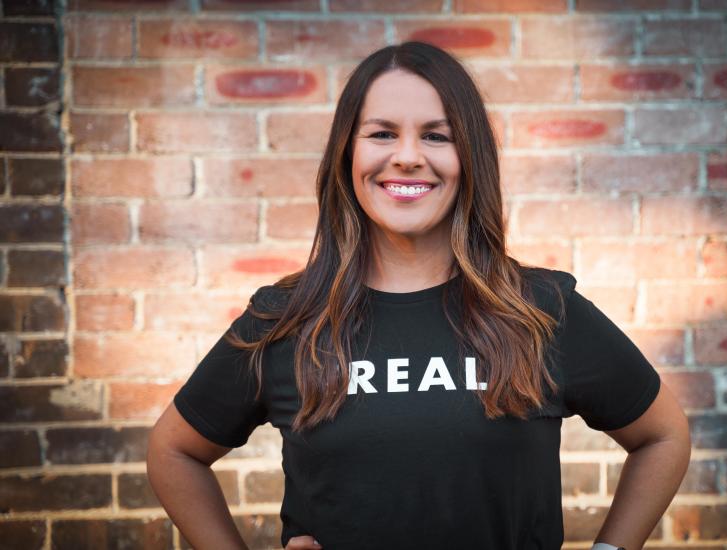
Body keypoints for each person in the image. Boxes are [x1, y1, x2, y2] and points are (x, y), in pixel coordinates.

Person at [146, 41, 691, 550]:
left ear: (469, 157)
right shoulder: (285, 319)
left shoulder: (541, 310)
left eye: (436, 135)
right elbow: (174, 452)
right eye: (382, 134)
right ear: (346, 155)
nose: (407, 156)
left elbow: (662, 436)